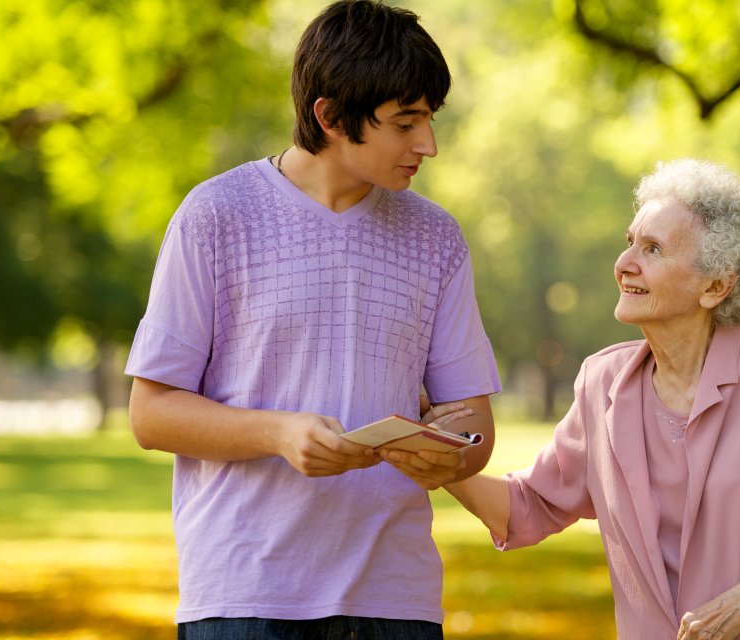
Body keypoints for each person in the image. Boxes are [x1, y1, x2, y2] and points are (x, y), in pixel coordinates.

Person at [124, 2, 500, 638]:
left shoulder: (437, 237)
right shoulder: (217, 216)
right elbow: (151, 413)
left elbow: (475, 425)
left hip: (394, 599)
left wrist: (454, 457)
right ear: (330, 117)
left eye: (429, 120)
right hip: (245, 596)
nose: (427, 146)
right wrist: (279, 434)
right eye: (405, 123)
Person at [426, 158, 740, 639]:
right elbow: (527, 507)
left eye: (652, 249)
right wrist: (433, 456)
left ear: (715, 285)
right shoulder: (600, 383)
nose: (625, 263)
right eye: (630, 242)